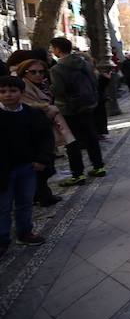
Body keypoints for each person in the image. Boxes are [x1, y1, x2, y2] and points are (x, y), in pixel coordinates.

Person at [0, 76, 53, 258]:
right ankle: (2, 239)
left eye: (12, 91)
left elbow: (45, 138)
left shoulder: (32, 114)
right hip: (3, 170)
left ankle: (24, 232)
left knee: (25, 202)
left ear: (22, 93)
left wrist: (42, 159)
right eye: (3, 91)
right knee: (3, 206)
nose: (8, 95)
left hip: (27, 167)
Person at [14, 58, 73, 207]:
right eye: (33, 72)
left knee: (46, 163)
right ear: (24, 72)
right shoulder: (22, 87)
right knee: (41, 165)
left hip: (44, 128)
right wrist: (47, 109)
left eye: (41, 72)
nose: (38, 75)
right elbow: (27, 107)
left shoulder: (41, 85)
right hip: (32, 132)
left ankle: (40, 195)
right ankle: (42, 196)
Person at [49, 37, 106, 187]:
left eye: (52, 48)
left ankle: (77, 174)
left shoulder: (57, 69)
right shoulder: (84, 63)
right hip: (88, 104)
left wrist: (50, 88)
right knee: (91, 137)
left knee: (71, 141)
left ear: (57, 49)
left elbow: (59, 90)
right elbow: (94, 81)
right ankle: (98, 166)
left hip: (69, 109)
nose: (52, 51)